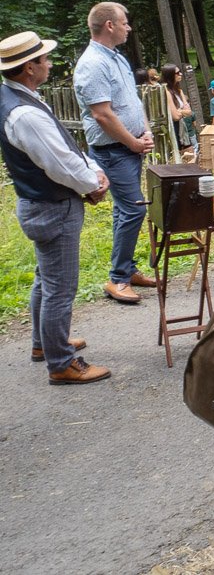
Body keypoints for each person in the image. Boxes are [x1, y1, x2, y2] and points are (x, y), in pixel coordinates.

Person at [2, 31, 111, 384]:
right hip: (52, 207)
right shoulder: (25, 113)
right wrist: (93, 185)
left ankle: (43, 343)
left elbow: (63, 148)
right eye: (44, 59)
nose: (49, 64)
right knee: (59, 289)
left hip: (40, 203)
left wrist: (91, 172)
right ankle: (61, 362)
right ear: (29, 67)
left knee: (45, 280)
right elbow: (60, 163)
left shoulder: (17, 98)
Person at [72, 2, 156, 305]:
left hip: (129, 148)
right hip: (113, 151)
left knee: (125, 210)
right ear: (109, 25)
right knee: (134, 209)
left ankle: (127, 270)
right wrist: (132, 143)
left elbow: (132, 101)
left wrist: (145, 131)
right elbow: (102, 115)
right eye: (124, 22)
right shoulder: (93, 63)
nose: (128, 27)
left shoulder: (116, 57)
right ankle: (118, 279)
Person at [160, 64, 196, 155]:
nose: (181, 74)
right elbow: (175, 116)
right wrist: (181, 112)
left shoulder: (179, 91)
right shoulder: (166, 92)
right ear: (170, 75)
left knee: (190, 154)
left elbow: (189, 112)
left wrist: (179, 111)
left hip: (183, 129)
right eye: (177, 73)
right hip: (173, 130)